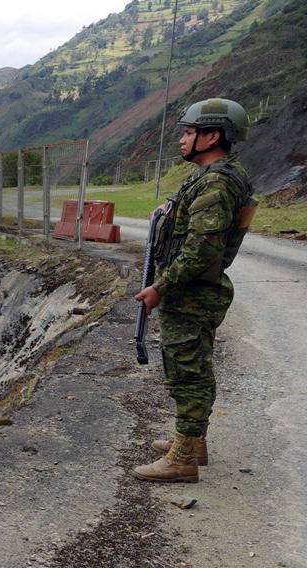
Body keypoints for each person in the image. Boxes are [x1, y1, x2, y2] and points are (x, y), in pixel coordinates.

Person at [132, 98, 257, 483]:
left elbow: (202, 248)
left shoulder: (217, 183)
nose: (183, 141)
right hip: (192, 291)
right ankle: (192, 441)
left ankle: (183, 458)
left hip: (191, 293)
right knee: (193, 366)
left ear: (212, 135)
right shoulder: (212, 175)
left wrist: (160, 286)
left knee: (187, 372)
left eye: (189, 133)